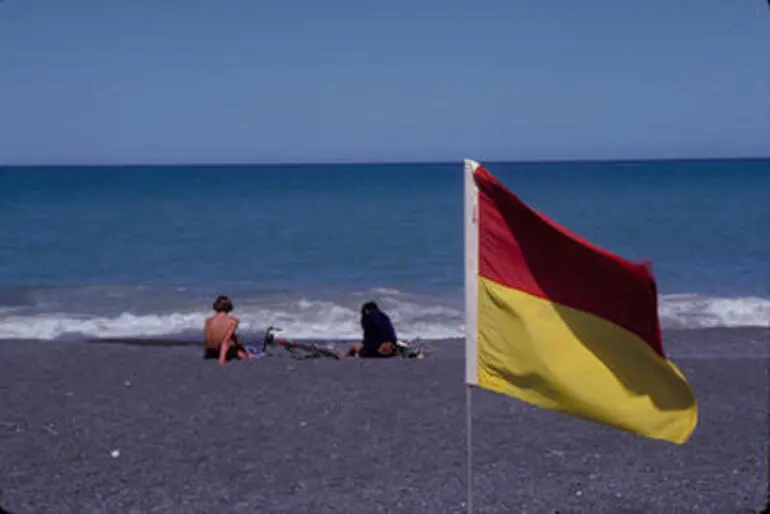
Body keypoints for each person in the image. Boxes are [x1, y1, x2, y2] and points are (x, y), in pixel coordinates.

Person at [203, 295, 250, 365]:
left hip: (209, 351)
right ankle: (240, 354)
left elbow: (208, 337)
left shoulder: (208, 320)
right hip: (222, 351)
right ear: (229, 307)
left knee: (234, 336)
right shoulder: (233, 320)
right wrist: (222, 358)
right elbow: (226, 340)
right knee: (234, 339)